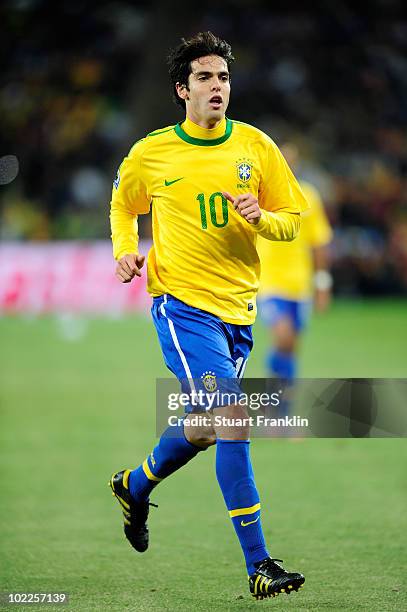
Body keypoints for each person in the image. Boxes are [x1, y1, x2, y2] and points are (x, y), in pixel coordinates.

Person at [108, 32, 308, 600]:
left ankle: (135, 484)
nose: (216, 86)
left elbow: (291, 217)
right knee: (234, 416)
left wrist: (262, 218)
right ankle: (259, 563)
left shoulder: (255, 147)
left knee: (205, 426)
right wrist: (125, 248)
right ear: (182, 89)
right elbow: (124, 203)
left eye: (222, 76)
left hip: (237, 310)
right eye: (204, 78)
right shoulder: (152, 152)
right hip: (181, 306)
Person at [257, 143, 333, 408]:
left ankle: (278, 400)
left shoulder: (308, 196)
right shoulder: (258, 194)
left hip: (300, 286)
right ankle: (280, 409)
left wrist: (322, 283)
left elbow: (319, 242)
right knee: (283, 337)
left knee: (289, 349)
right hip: (268, 283)